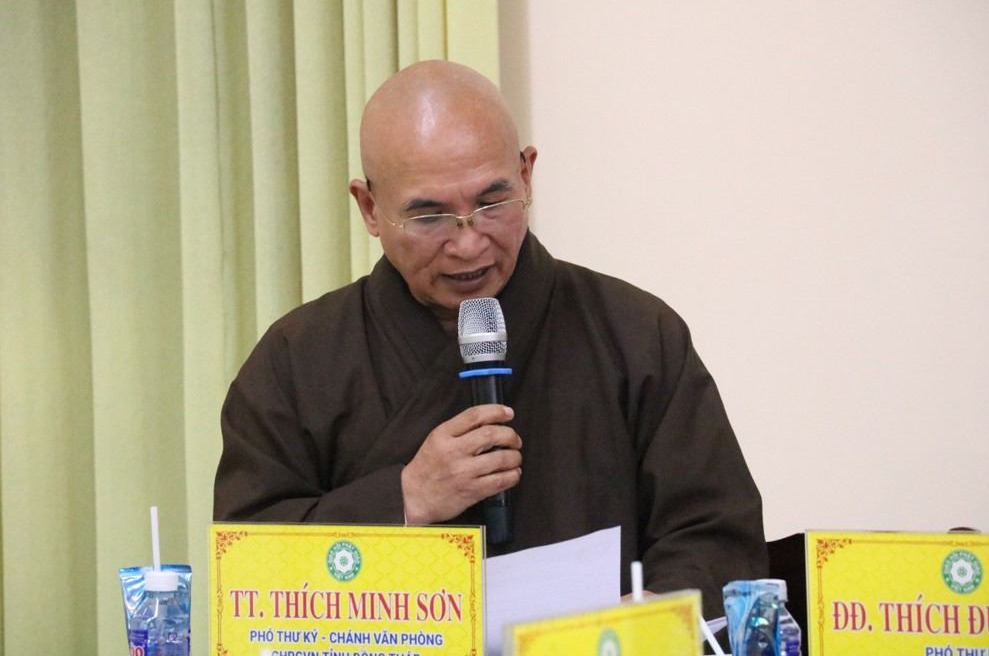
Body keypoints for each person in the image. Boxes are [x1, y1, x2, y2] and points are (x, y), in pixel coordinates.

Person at [214, 59, 767, 619]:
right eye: (430, 217)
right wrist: (404, 499)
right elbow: (248, 571)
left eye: (492, 204)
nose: (469, 243)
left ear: (526, 175)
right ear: (370, 208)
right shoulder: (297, 361)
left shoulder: (636, 335)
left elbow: (718, 538)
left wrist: (647, 616)